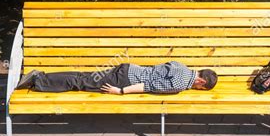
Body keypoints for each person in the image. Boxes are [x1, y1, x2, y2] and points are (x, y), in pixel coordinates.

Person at [16, 61, 218, 95]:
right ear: (201, 82)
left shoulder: (182, 67)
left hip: (128, 69)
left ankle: (40, 78)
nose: (196, 89)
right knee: (79, 82)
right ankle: (39, 80)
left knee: (82, 77)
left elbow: (154, 72)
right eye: (199, 88)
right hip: (124, 80)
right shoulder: (181, 84)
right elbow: (148, 86)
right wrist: (120, 91)